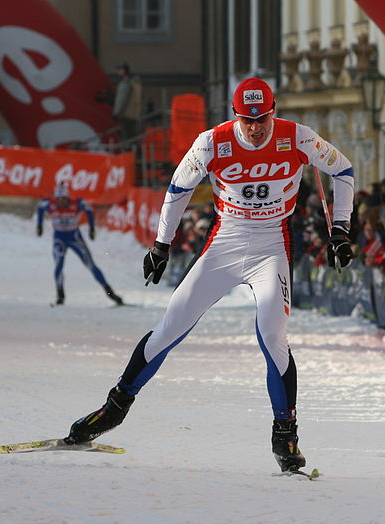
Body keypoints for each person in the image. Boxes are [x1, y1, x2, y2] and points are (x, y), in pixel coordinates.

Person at [64, 77, 356, 473]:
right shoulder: (211, 142)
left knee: (273, 333)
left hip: (272, 245)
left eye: (263, 120)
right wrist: (161, 246)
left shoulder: (298, 137)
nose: (255, 129)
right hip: (226, 242)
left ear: (273, 112)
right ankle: (114, 409)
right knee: (172, 324)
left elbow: (343, 170)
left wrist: (340, 230)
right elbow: (178, 189)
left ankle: (285, 434)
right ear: (236, 116)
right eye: (247, 121)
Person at [36, 182, 124, 307]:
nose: (60, 202)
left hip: (75, 238)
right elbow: (40, 208)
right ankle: (60, 296)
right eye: (58, 199)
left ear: (67, 198)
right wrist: (39, 225)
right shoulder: (49, 203)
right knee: (59, 265)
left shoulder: (77, 203)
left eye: (63, 199)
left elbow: (89, 211)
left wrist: (91, 228)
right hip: (59, 238)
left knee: (91, 265)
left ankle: (110, 292)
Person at [112, 63, 141, 149]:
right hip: (135, 114)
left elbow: (122, 98)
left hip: (126, 114)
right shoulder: (136, 82)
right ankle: (135, 153)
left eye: (119, 70)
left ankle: (127, 155)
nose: (117, 72)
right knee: (133, 137)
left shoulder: (125, 83)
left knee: (126, 138)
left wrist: (116, 113)